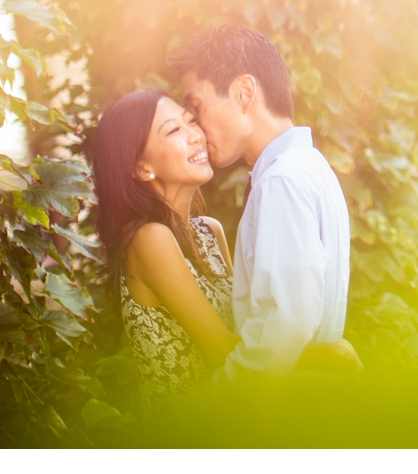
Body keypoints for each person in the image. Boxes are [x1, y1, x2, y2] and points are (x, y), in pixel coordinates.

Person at [91, 90, 355, 406]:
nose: (195, 135)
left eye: (191, 121)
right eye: (174, 130)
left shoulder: (210, 231)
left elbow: (244, 334)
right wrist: (330, 354)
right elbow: (221, 350)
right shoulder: (149, 240)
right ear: (142, 167)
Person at [170, 24, 353, 379]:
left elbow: (281, 326)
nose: (196, 126)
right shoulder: (308, 167)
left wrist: (220, 405)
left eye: (197, 106)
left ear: (243, 92)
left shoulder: (281, 181)